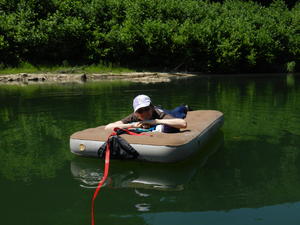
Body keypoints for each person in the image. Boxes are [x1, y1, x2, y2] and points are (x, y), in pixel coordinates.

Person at [105, 95, 187, 132]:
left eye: (146, 109)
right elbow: (108, 127)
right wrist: (131, 125)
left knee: (178, 111)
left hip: (163, 112)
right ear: (136, 112)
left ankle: (185, 107)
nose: (144, 113)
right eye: (140, 111)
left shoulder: (159, 113)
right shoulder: (134, 116)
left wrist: (156, 121)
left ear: (151, 108)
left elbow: (183, 124)